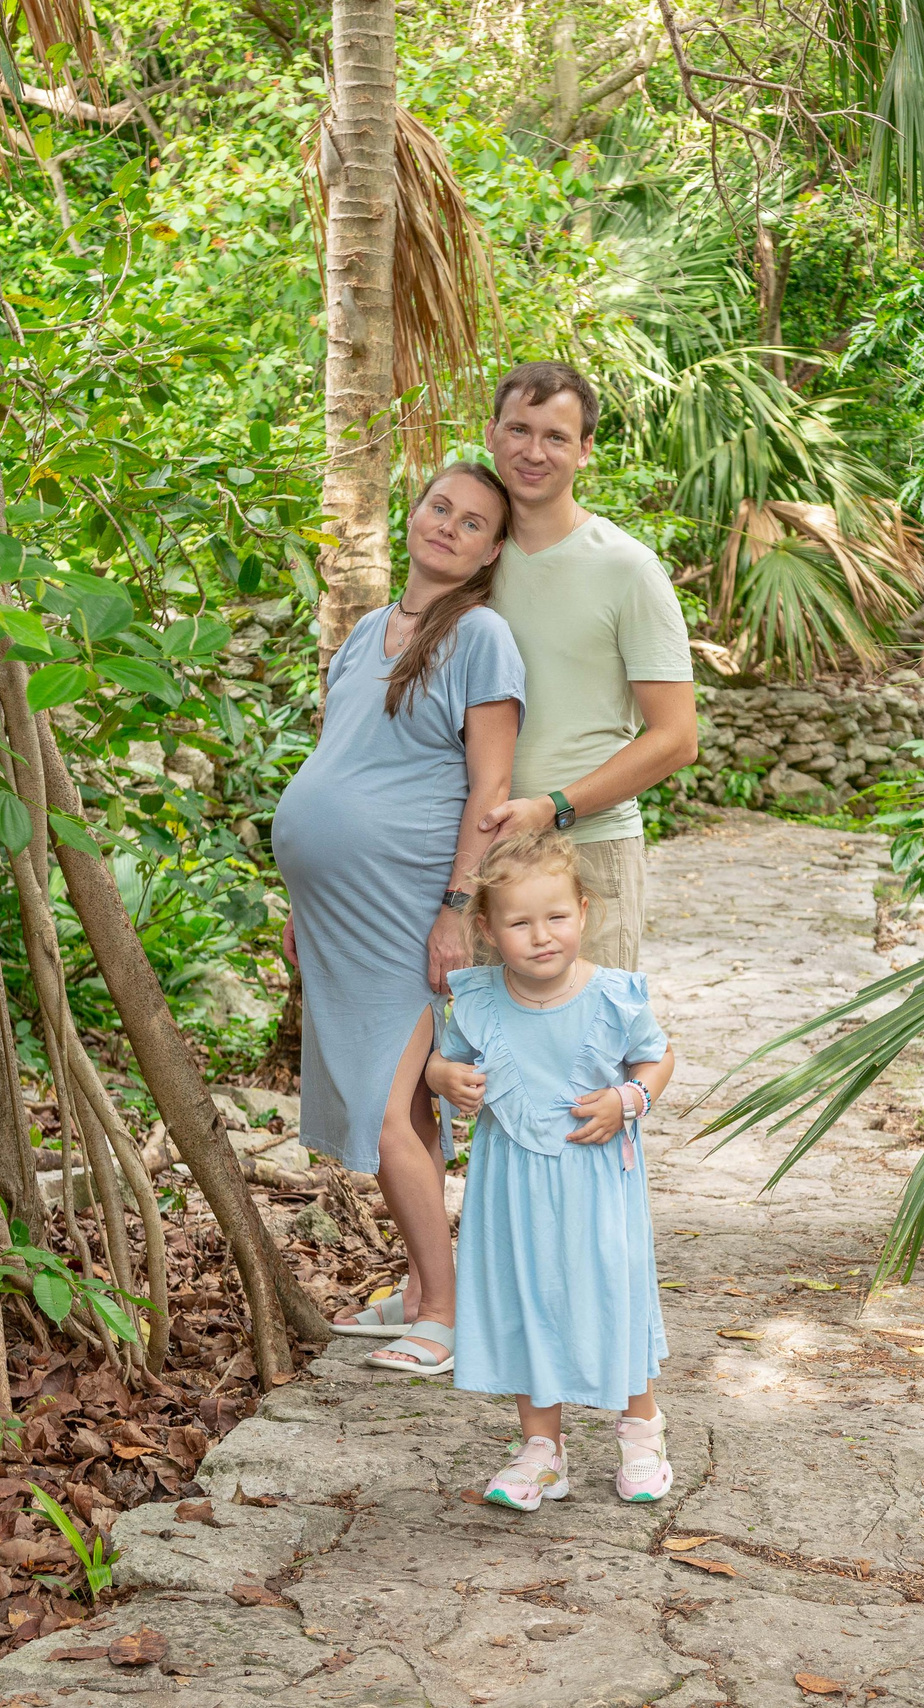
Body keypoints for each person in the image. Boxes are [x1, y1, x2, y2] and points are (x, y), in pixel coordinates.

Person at [272, 463, 523, 1376]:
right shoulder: (365, 633)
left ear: (491, 552)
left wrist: (457, 908)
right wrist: (302, 900)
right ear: (414, 514)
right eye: (439, 507)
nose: (448, 526)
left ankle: (446, 1317)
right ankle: (421, 1287)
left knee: (384, 1113)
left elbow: (491, 787)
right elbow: (338, 759)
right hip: (336, 909)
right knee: (407, 1107)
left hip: (405, 901)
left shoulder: (481, 636)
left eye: (473, 522)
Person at [425, 832, 680, 1508]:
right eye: (520, 923)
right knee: (526, 1297)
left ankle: (641, 1430)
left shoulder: (613, 996)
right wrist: (444, 1076)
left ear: (584, 913)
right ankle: (542, 1449)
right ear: (487, 929)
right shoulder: (477, 999)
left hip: (595, 1183)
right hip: (512, 1187)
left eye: (557, 917)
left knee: (611, 1292)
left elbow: (657, 1057)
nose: (542, 937)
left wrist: (630, 1098)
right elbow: (443, 1060)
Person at [476, 362, 697, 970]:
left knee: (591, 1032)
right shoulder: (468, 559)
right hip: (477, 856)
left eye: (556, 437)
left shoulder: (628, 569)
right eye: (519, 430)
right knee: (476, 1035)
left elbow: (677, 738)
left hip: (588, 854)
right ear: (491, 433)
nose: (534, 452)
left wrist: (553, 807)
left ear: (585, 450)